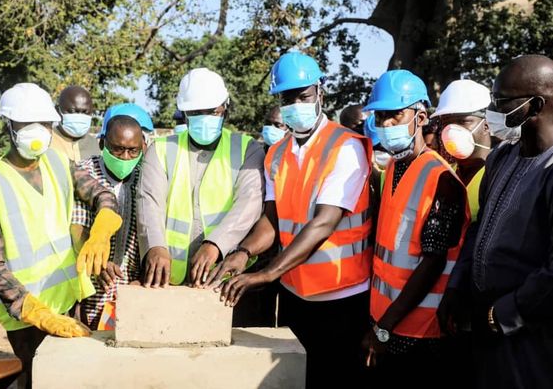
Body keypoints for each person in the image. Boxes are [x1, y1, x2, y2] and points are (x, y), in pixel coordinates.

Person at [211, 52, 373, 389]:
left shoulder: (345, 147)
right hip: (296, 294)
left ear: (320, 94)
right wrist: (243, 253)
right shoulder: (277, 153)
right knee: (297, 382)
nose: (296, 104)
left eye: (304, 96)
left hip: (340, 298)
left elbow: (323, 223)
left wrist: (267, 273)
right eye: (288, 98)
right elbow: (272, 220)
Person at [0, 83, 122, 389]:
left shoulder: (58, 162)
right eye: (26, 125)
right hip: (26, 314)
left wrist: (103, 226)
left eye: (44, 124)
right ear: (9, 127)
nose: (37, 132)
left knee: (73, 379)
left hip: (69, 298)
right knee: (36, 380)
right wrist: (40, 314)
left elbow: (101, 193)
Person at [441, 55, 553, 389]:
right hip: (484, 324)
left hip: (531, 334)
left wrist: (504, 314)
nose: (492, 113)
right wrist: (456, 286)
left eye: (501, 102)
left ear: (534, 106)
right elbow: (480, 227)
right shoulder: (502, 156)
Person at [360, 70, 470, 389]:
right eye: (380, 117)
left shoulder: (443, 181)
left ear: (420, 116)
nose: (386, 125)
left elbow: (432, 263)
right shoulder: (394, 166)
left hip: (419, 331)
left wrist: (384, 328)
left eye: (394, 115)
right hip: (386, 320)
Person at [136, 68, 264, 291]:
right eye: (196, 112)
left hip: (222, 277)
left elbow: (249, 204)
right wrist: (155, 246)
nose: (205, 119)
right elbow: (149, 202)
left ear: (226, 109)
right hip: (167, 279)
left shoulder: (247, 149)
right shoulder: (162, 149)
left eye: (212, 112)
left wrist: (216, 244)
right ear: (184, 114)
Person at [72, 105, 148, 330]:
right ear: (102, 144)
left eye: (133, 151)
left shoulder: (144, 177)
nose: (126, 157)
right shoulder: (84, 174)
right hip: (91, 281)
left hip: (131, 285)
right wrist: (98, 261)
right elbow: (76, 226)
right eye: (118, 149)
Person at [434, 79, 492, 222]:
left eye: (462, 121)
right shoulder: (444, 174)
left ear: (486, 125)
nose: (451, 130)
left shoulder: (497, 175)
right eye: (446, 123)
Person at [51, 85, 100, 162]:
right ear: (58, 110)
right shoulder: (47, 142)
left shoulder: (95, 145)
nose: (79, 116)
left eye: (85, 112)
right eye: (73, 111)